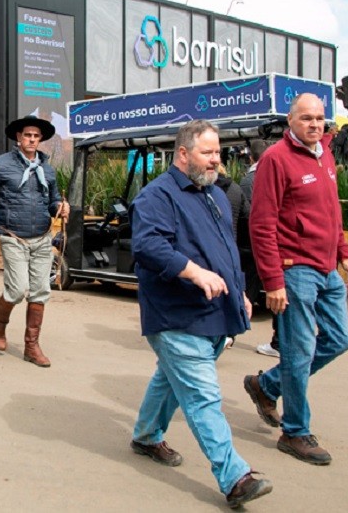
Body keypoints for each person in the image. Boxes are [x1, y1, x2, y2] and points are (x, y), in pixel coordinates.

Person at [128, 120, 271, 508]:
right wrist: (193, 271)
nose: (215, 161)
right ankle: (235, 476)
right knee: (202, 396)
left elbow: (226, 249)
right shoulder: (157, 196)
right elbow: (149, 246)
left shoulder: (216, 195)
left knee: (170, 380)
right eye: (208, 153)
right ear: (183, 154)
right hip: (177, 314)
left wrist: (239, 291)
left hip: (214, 311)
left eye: (218, 154)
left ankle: (145, 435)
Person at [245, 93, 348, 466]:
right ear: (290, 121)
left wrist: (343, 253)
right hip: (295, 270)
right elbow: (261, 224)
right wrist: (273, 280)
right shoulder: (276, 160)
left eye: (320, 119)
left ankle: (268, 385)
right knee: (298, 350)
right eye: (306, 118)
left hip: (325, 267)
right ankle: (295, 432)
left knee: (339, 340)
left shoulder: (324, 153)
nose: (315, 124)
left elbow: (331, 210)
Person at [0, 115, 68, 368]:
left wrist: (59, 206)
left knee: (40, 291)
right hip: (12, 236)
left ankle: (31, 346)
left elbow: (53, 200)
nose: (32, 140)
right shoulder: (2, 164)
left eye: (36, 136)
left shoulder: (47, 169)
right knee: (16, 289)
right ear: (18, 137)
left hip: (41, 237)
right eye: (28, 135)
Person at [239, 140, 278, 358]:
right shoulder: (268, 177)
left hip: (253, 243)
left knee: (249, 287)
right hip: (264, 243)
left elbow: (251, 215)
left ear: (251, 158)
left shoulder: (249, 180)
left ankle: (229, 331)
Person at [213, 165, 250, 350]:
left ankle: (219, 334)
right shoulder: (235, 189)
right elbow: (247, 215)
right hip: (231, 243)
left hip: (212, 244)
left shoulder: (207, 190)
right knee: (231, 286)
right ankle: (230, 331)